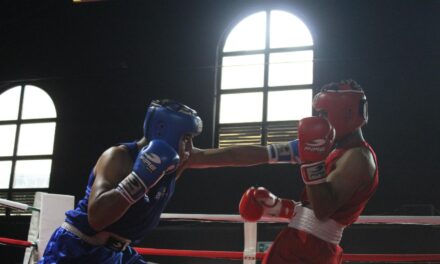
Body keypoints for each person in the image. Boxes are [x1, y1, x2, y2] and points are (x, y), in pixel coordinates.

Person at [186, 80, 378, 264]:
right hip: (299, 245)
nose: (320, 119)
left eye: (324, 113)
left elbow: (323, 210)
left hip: (311, 254)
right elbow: (260, 154)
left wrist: (312, 162)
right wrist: (197, 157)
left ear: (348, 113)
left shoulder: (358, 158)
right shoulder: (327, 145)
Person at [39, 99, 203, 263]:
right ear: (165, 131)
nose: (190, 147)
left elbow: (226, 156)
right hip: (78, 249)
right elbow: (96, 219)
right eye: (186, 138)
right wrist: (139, 179)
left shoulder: (174, 164)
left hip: (117, 254)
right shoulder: (117, 157)